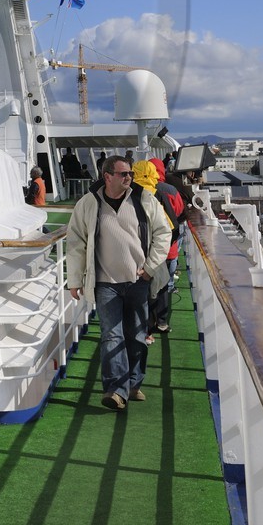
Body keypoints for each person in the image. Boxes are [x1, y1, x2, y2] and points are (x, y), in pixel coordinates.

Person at [65, 155, 172, 411]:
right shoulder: (89, 203)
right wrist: (75, 279)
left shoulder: (144, 199)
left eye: (130, 174)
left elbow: (163, 232)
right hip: (105, 283)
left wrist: (148, 269)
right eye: (123, 174)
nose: (128, 178)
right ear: (107, 176)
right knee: (111, 335)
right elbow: (76, 242)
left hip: (138, 281)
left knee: (136, 337)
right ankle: (116, 391)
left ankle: (133, 383)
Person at [149, 157, 185, 335]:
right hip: (166, 247)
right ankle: (161, 321)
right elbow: (178, 212)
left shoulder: (133, 190)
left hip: (142, 250)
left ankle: (147, 324)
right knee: (163, 284)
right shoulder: (169, 190)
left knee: (145, 287)